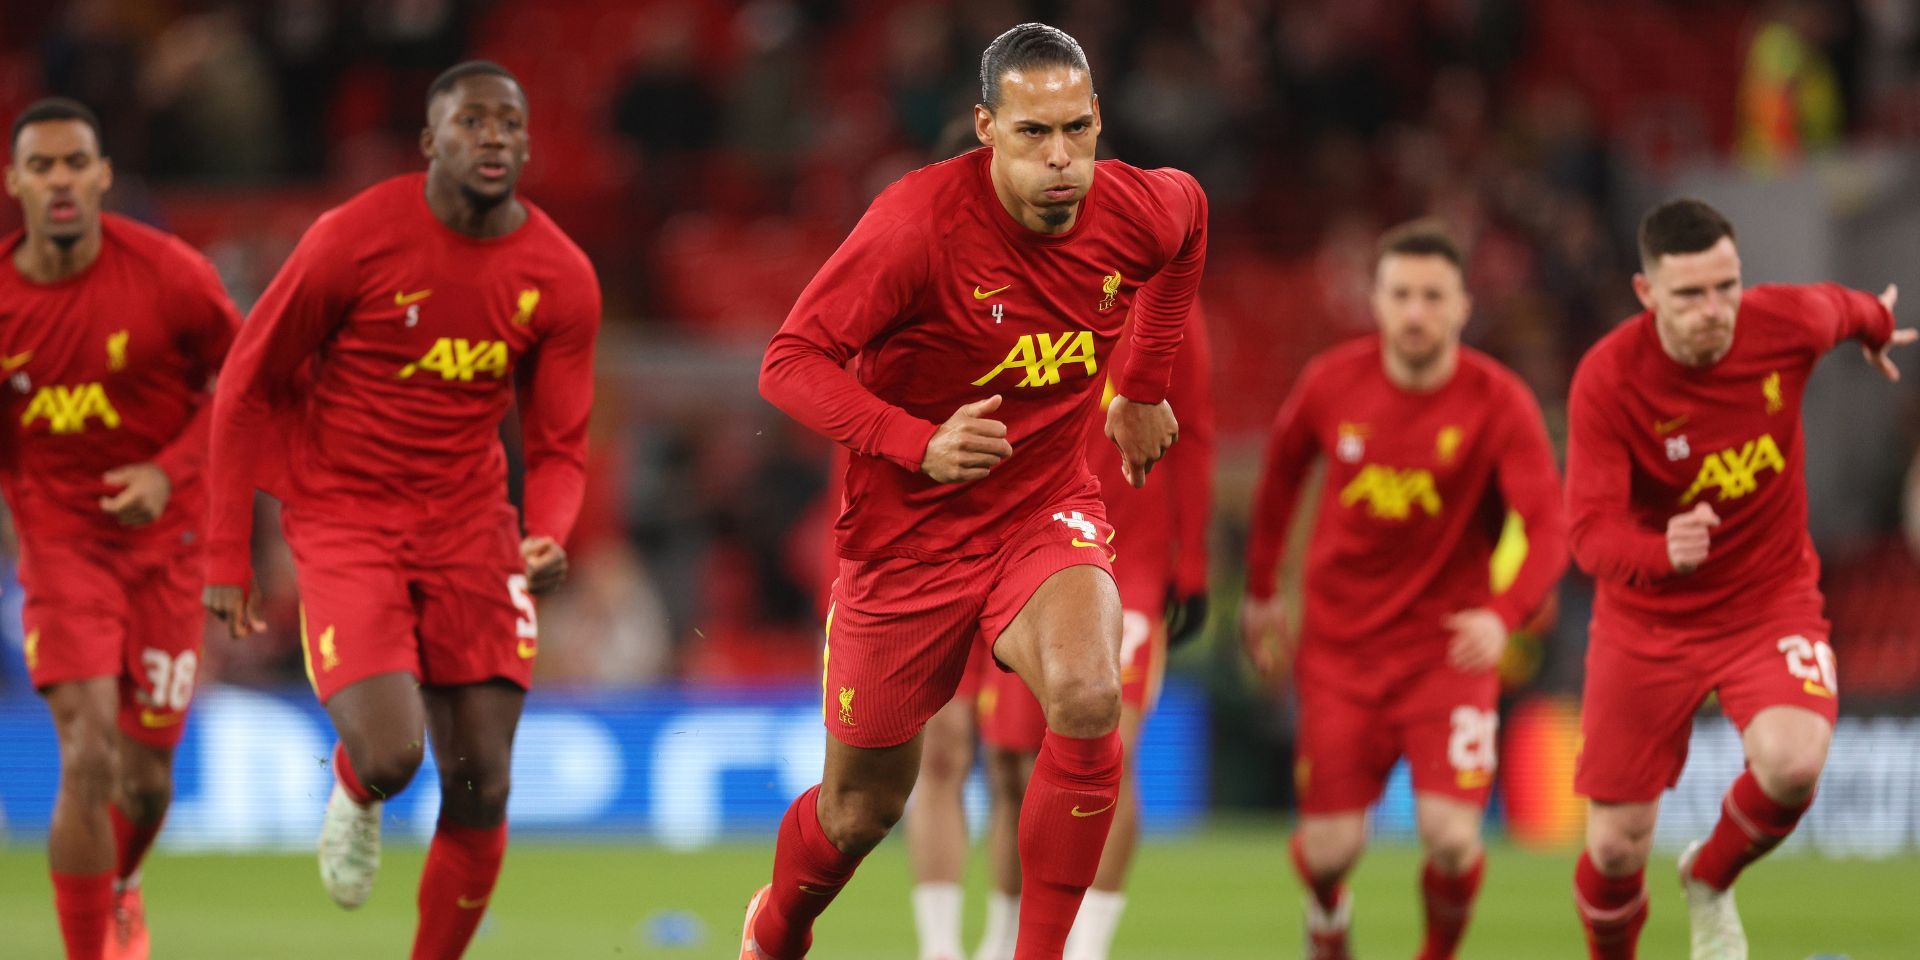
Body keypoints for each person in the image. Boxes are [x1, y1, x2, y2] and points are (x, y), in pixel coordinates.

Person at [744, 21, 1206, 960]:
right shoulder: (915, 226)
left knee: (1086, 693)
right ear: (986, 127)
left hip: (1042, 512)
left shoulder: (1133, 209)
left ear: (1100, 121)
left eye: (1078, 130)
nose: (1063, 159)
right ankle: (776, 924)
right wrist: (915, 442)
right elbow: (789, 361)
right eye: (1035, 135)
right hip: (905, 544)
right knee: (859, 810)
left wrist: (1145, 385)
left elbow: (1190, 221)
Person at [200, 61, 600, 959]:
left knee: (484, 782)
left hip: (470, 524)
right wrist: (226, 554)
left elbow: (561, 444)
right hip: (345, 514)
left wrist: (552, 528)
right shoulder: (354, 240)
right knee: (392, 757)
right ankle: (354, 785)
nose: (492, 136)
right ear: (430, 142)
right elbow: (245, 382)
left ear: (528, 144)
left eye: (508, 123)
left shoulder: (561, 277)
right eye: (470, 122)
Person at [1566, 198, 1913, 960]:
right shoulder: (1608, 380)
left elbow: (1843, 308)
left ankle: (1711, 876)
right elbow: (1588, 532)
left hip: (1768, 600)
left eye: (1727, 286)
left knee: (1794, 763)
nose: (1715, 310)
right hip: (1647, 620)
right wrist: (1663, 552)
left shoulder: (1780, 322)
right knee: (1617, 850)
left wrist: (1876, 328)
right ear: (1646, 293)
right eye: (1690, 294)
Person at [1240, 222, 1567, 960]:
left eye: (1432, 297)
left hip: (1446, 654)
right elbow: (1281, 477)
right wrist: (1262, 591)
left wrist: (1504, 612)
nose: (1415, 312)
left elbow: (1550, 525)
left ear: (1461, 307)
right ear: (1376, 302)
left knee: (1452, 838)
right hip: (1339, 652)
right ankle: (1327, 917)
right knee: (1328, 851)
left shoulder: (1498, 402)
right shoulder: (1330, 383)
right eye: (1401, 296)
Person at [0, 97, 239, 960]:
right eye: (41, 166)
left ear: (102, 176)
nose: (59, 181)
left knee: (143, 781)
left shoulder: (173, 275)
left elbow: (239, 389)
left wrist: (167, 474)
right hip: (62, 549)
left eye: (75, 164)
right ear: (15, 183)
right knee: (87, 747)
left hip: (169, 550)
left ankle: (124, 884)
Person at [963, 314, 1215, 960]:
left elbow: (1196, 430)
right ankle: (1002, 934)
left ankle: (1089, 948)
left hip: (1132, 559)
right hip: (1033, 551)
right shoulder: (1026, 284)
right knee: (1011, 765)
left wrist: (1190, 567)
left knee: (1107, 750)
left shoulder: (1169, 308)